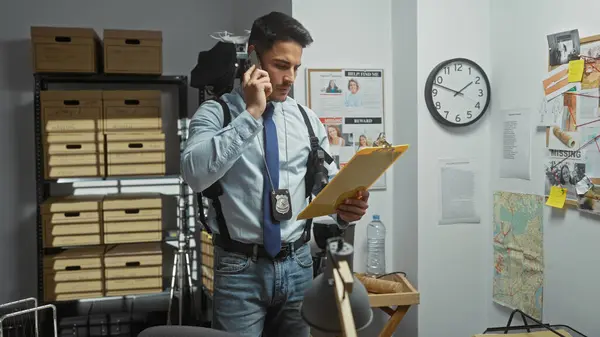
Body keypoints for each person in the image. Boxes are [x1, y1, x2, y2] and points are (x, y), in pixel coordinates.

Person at [180, 11, 370, 337]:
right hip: (239, 269)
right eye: (281, 65)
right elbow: (195, 174)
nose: (290, 78)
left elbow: (321, 198)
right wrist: (252, 113)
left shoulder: (307, 121)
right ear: (254, 56)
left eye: (296, 67)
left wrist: (343, 213)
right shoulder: (217, 113)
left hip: (299, 266)